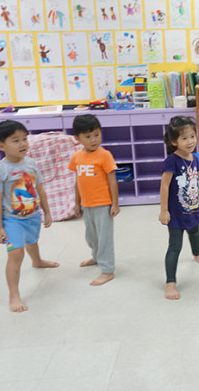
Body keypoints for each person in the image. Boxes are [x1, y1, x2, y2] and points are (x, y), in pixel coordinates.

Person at [0, 120, 59, 312]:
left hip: (32, 216)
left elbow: (40, 189)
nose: (23, 144)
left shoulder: (31, 164)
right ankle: (14, 295)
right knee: (16, 253)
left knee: (32, 241)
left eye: (25, 139)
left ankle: (37, 261)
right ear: (1, 145)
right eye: (16, 140)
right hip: (11, 220)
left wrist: (47, 212)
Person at [159, 116, 199, 300]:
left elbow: (194, 181)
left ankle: (197, 254)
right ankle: (170, 283)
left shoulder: (194, 158)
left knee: (195, 233)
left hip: (193, 206)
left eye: (192, 136)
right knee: (175, 246)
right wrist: (164, 210)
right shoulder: (171, 161)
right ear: (174, 141)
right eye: (184, 138)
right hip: (176, 213)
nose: (190, 142)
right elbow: (164, 185)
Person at [69, 114, 120, 286]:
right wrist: (77, 203)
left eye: (97, 135)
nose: (93, 140)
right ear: (77, 138)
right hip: (87, 204)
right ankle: (96, 256)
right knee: (91, 236)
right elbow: (78, 181)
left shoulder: (105, 155)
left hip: (103, 204)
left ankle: (107, 270)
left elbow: (112, 180)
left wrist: (115, 203)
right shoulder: (77, 157)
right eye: (88, 136)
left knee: (104, 238)